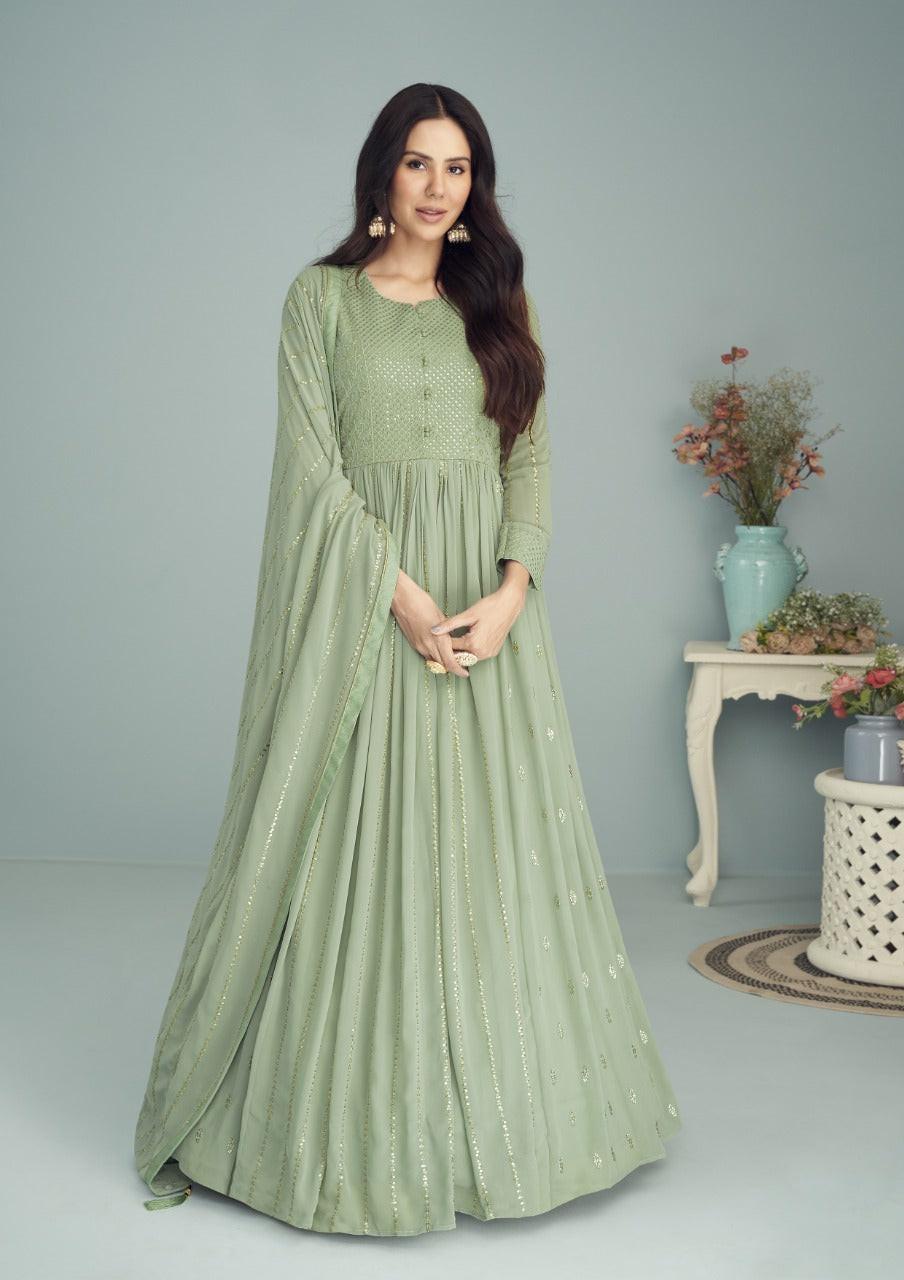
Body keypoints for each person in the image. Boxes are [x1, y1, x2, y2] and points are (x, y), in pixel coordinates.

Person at [133, 82, 682, 1236]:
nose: (439, 187)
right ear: (381, 172)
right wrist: (397, 592)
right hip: (369, 612)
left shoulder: (497, 301)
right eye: (419, 163)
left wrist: (512, 592)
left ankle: (506, 1124)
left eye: (459, 167)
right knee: (359, 844)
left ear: (477, 184)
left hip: (483, 615)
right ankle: (345, 1124)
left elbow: (528, 456)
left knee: (488, 848)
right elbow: (312, 471)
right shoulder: (321, 300)